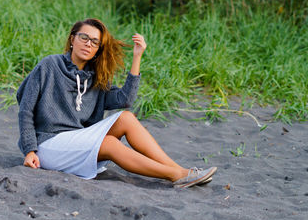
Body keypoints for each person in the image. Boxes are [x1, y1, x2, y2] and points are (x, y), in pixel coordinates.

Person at [16, 18, 217, 188]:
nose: (88, 44)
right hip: (48, 145)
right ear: (72, 39)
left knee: (126, 118)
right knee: (110, 143)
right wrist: (30, 151)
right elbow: (25, 109)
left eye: (95, 42)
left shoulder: (95, 77)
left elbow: (125, 100)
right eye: (84, 37)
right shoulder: (50, 65)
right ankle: (175, 175)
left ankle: (180, 171)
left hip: (77, 139)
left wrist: (137, 57)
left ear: (98, 49)